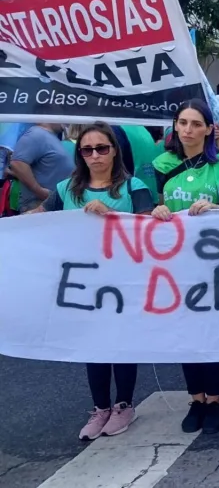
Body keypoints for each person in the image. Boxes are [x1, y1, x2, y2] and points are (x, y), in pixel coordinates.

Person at [28, 122, 154, 439]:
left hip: (123, 282)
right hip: (83, 284)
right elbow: (40, 217)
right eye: (87, 149)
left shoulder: (133, 187)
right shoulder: (65, 190)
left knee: (121, 345)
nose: (95, 155)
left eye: (102, 148)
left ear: (114, 151)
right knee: (92, 347)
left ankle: (124, 405)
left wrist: (111, 216)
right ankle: (100, 408)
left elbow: (148, 226)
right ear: (80, 154)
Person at [151, 100, 219, 435]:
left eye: (195, 124)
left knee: (212, 331)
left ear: (208, 129)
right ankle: (196, 398)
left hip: (215, 262)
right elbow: (155, 205)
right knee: (187, 331)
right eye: (182, 123)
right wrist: (158, 212)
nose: (187, 129)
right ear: (175, 126)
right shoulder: (160, 164)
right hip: (176, 262)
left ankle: (215, 399)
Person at [8, 123, 74, 213]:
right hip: (37, 206)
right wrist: (39, 191)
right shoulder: (36, 134)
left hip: (50, 206)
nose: (66, 120)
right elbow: (17, 163)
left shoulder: (50, 137)